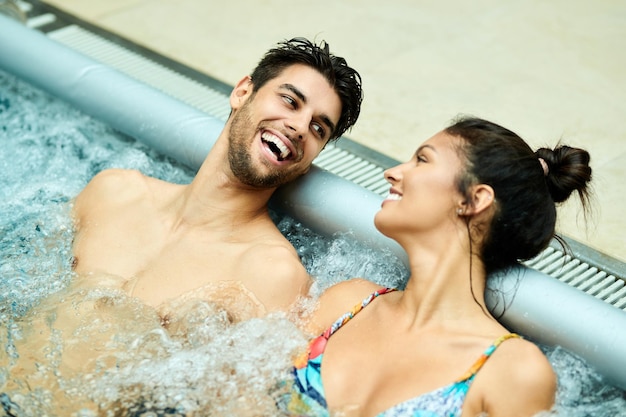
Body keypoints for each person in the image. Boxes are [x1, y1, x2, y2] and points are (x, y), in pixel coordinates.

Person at [281, 116, 592, 416]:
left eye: (422, 160)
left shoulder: (512, 371)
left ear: (474, 200)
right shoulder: (347, 302)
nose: (392, 173)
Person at [71, 37, 363, 321]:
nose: (299, 127)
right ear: (242, 92)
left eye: (317, 129)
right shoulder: (112, 192)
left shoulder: (270, 273)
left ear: (308, 163)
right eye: (290, 101)